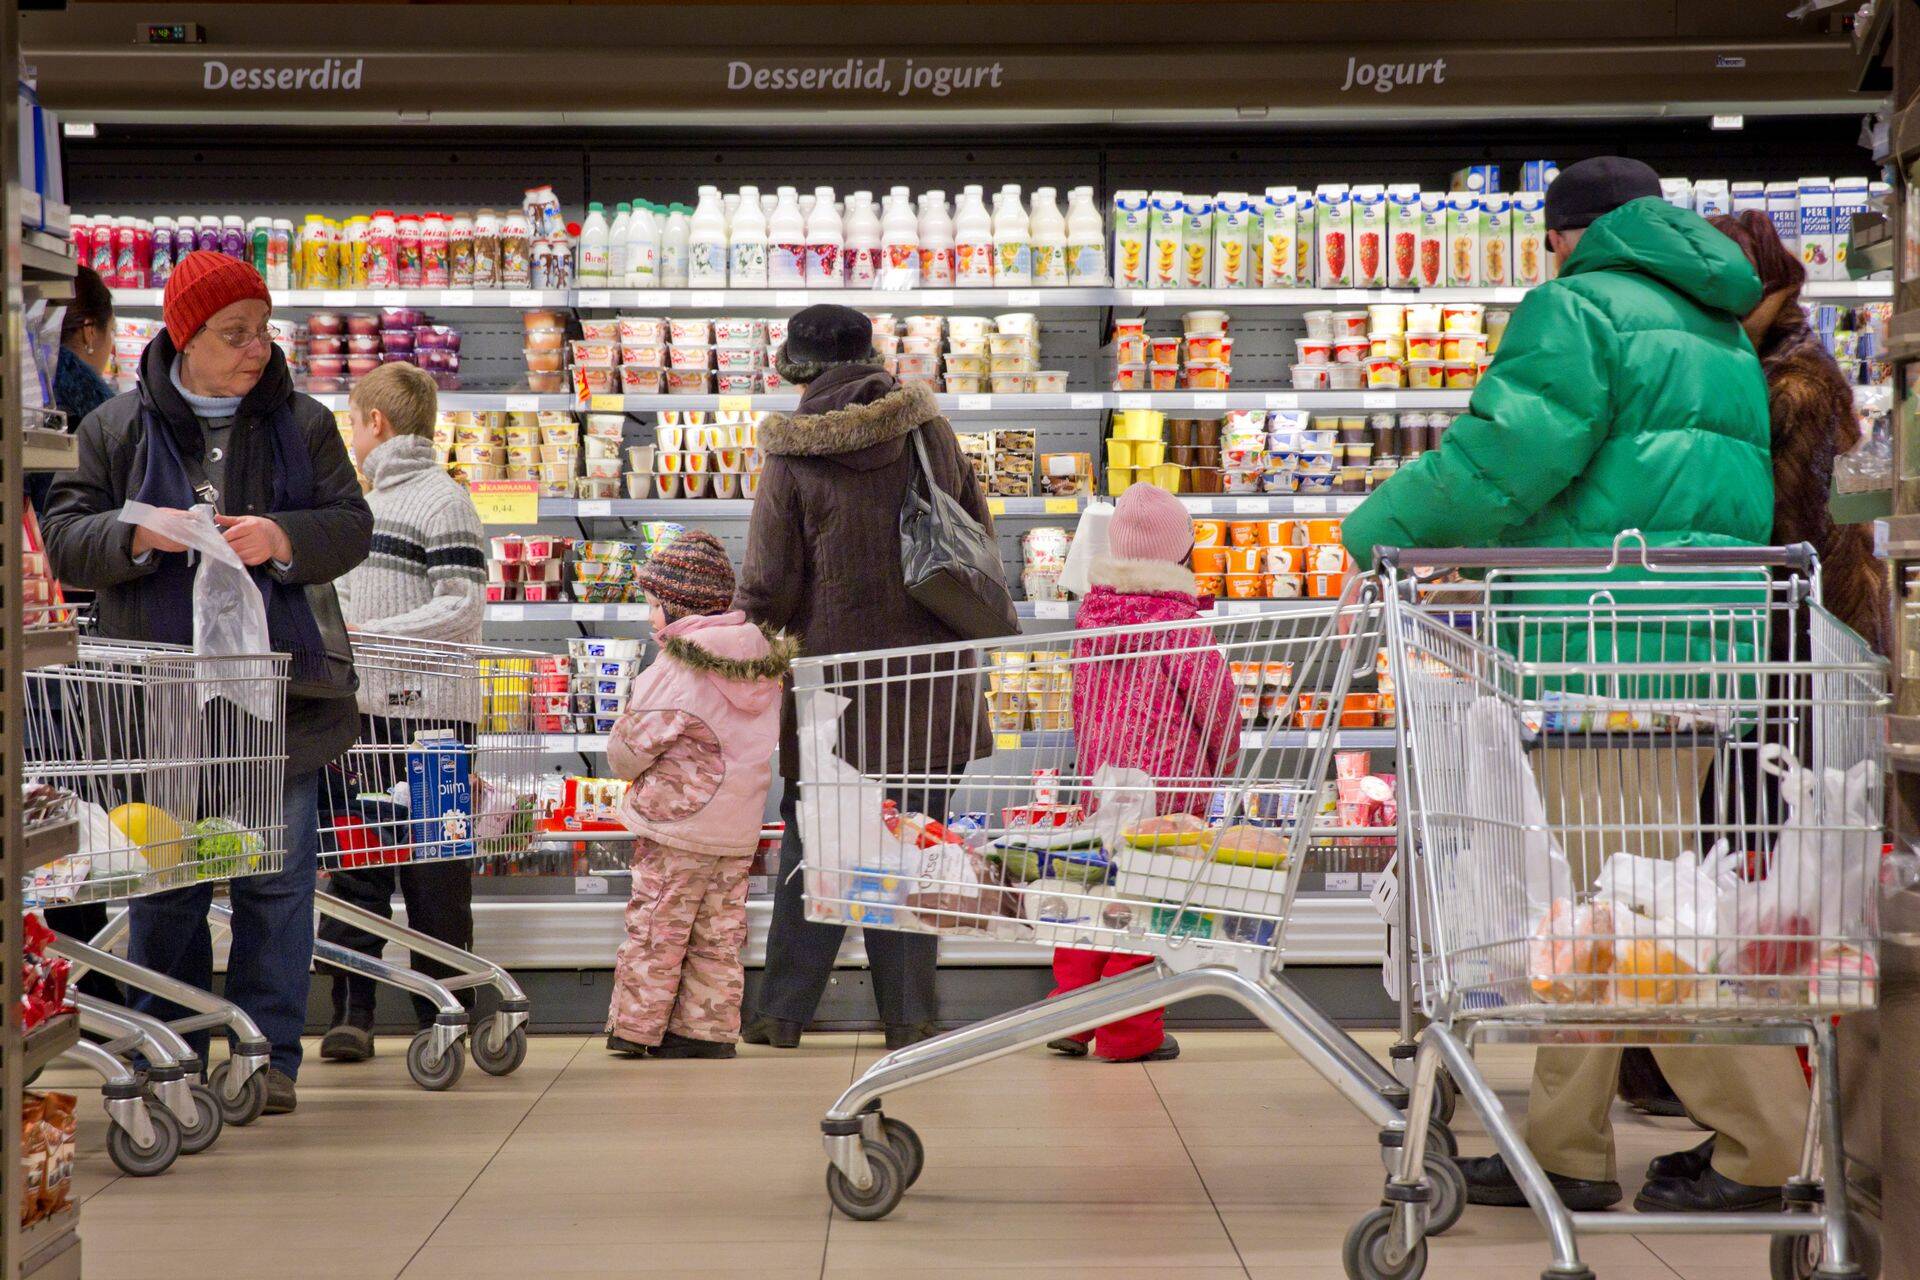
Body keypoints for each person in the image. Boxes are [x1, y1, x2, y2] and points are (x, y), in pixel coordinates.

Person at [1343, 157, 1810, 1214]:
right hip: (1694, 649)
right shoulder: (1715, 324)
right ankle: (1564, 1148)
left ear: (1568, 233)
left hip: (1601, 652)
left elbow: (1505, 455)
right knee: (1603, 903)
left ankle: (1769, 1144)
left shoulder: (1577, 307)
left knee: (1627, 914)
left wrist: (1373, 536)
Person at [42, 251, 372, 1115]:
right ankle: (171, 1053)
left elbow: (351, 524)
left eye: (263, 329)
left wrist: (283, 536)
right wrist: (139, 535)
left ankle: (270, 1058)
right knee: (166, 886)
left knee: (277, 883)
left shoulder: (304, 423)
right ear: (186, 336)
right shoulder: (114, 428)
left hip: (282, 699)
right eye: (235, 333)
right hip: (159, 707)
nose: (257, 347)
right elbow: (63, 539)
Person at [735, 303, 1017, 1052]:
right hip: (932, 685)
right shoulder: (929, 431)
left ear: (794, 366)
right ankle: (910, 1016)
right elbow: (976, 540)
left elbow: (769, 586)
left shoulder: (792, 453)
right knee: (914, 845)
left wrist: (732, 644)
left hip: (835, 695)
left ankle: (781, 1014)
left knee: (817, 846)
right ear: (872, 356)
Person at [316, 361, 487, 1064]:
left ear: (377, 423)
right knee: (356, 869)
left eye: (355, 424)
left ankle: (446, 1014)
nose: (353, 438)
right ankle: (350, 1012)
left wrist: (370, 637)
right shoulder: (361, 507)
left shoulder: (445, 501)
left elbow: (462, 604)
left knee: (435, 876)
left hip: (434, 721)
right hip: (362, 715)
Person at [1045, 484, 1238, 1063]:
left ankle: (1070, 1015)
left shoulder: (1093, 615)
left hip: (1104, 779)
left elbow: (1083, 701)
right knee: (1148, 905)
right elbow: (1216, 705)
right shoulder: (1178, 623)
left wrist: (1091, 771)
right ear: (1181, 552)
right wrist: (1225, 763)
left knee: (1096, 895)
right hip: (1167, 789)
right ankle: (1129, 1034)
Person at [604, 531, 795, 1059]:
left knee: (657, 927)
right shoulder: (761, 663)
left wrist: (622, 755)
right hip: (736, 829)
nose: (650, 617)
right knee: (720, 934)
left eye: (653, 605)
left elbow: (629, 751)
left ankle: (635, 1029)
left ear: (678, 607)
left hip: (677, 826)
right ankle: (705, 1033)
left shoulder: (676, 667)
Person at [35, 265, 119, 993]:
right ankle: (84, 974)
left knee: (46, 805)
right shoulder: (96, 404)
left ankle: (57, 970)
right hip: (73, 634)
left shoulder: (29, 386)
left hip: (35, 619)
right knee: (70, 805)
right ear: (88, 331)